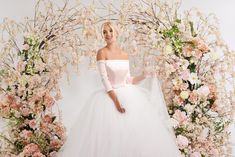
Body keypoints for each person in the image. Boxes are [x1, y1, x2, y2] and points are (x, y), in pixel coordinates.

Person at [59, 21, 182, 157]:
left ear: (116, 32)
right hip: (109, 98)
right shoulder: (102, 53)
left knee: (134, 135)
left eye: (110, 31)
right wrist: (116, 102)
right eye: (105, 32)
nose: (108, 34)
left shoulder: (124, 54)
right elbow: (105, 81)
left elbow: (128, 80)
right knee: (109, 137)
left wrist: (145, 75)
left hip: (128, 94)